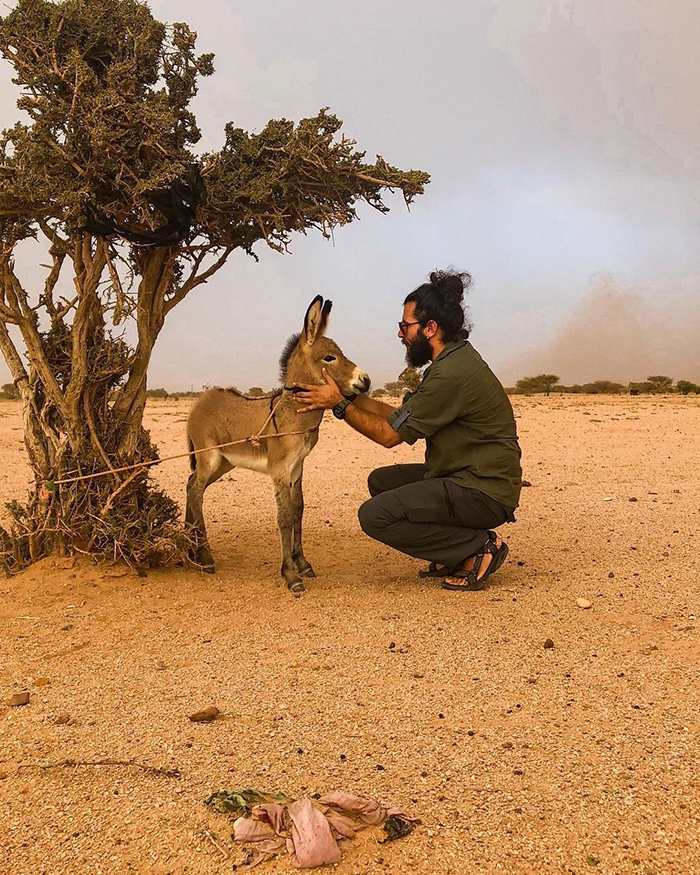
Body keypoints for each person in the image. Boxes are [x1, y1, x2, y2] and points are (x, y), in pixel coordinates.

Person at [292, 270, 522, 591]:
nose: (401, 334)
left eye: (405, 326)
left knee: (374, 516)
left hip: (484, 491)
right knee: (381, 482)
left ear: (430, 329)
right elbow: (397, 418)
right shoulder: (449, 363)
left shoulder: (450, 376)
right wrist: (349, 396)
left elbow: (389, 436)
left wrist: (340, 406)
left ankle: (476, 548)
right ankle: (454, 549)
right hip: (466, 476)